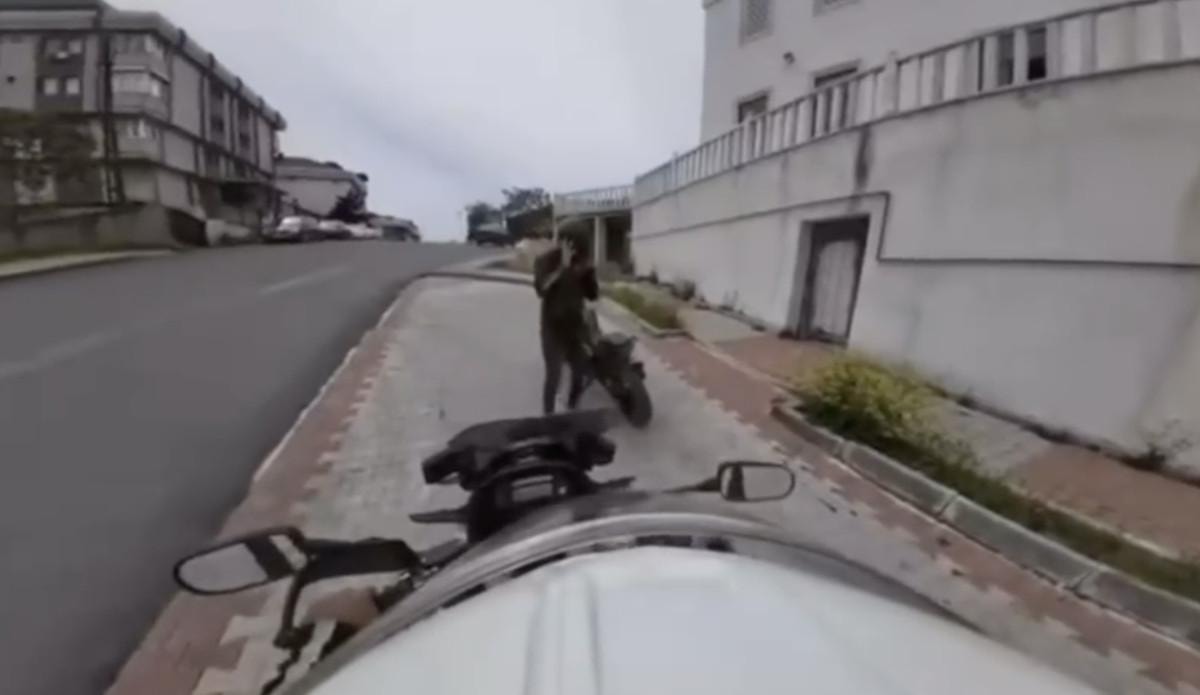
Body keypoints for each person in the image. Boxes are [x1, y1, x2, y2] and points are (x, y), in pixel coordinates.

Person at [533, 237, 599, 415]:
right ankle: (548, 416)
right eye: (568, 244)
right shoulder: (546, 261)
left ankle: (572, 406)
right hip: (553, 330)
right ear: (562, 242)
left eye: (575, 246)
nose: (572, 249)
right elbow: (541, 289)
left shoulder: (580, 263)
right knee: (553, 376)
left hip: (575, 329)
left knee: (580, 371)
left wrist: (590, 273)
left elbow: (592, 295)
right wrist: (562, 268)